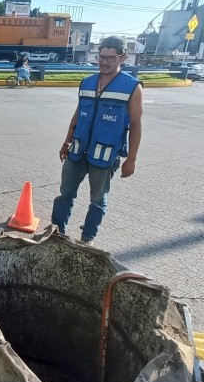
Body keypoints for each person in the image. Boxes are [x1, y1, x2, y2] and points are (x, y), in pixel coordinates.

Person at [50, 35, 143, 244]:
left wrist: (132, 159)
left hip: (105, 154)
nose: (103, 62)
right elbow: (78, 114)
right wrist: (66, 142)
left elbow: (136, 125)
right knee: (65, 194)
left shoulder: (131, 87)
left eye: (110, 58)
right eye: (101, 57)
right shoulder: (87, 82)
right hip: (77, 150)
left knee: (97, 200)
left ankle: (87, 239)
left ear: (123, 58)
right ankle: (57, 233)